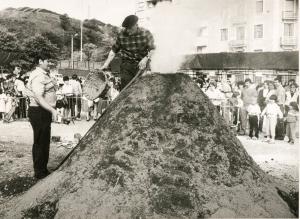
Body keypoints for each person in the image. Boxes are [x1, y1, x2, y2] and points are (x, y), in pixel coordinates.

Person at [100, 15, 155, 90]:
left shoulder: (146, 33)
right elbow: (113, 51)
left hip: (142, 65)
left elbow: (153, 49)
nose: (128, 31)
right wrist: (106, 64)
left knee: (142, 89)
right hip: (126, 65)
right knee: (126, 89)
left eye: (131, 28)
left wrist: (146, 59)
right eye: (127, 29)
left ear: (136, 25)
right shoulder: (121, 35)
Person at [26, 59, 57, 179]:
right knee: (40, 142)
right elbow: (38, 97)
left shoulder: (45, 74)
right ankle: (39, 172)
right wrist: (52, 110)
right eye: (48, 61)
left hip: (44, 111)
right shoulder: (38, 76)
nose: (50, 63)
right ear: (40, 61)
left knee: (44, 141)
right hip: (39, 111)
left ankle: (42, 169)